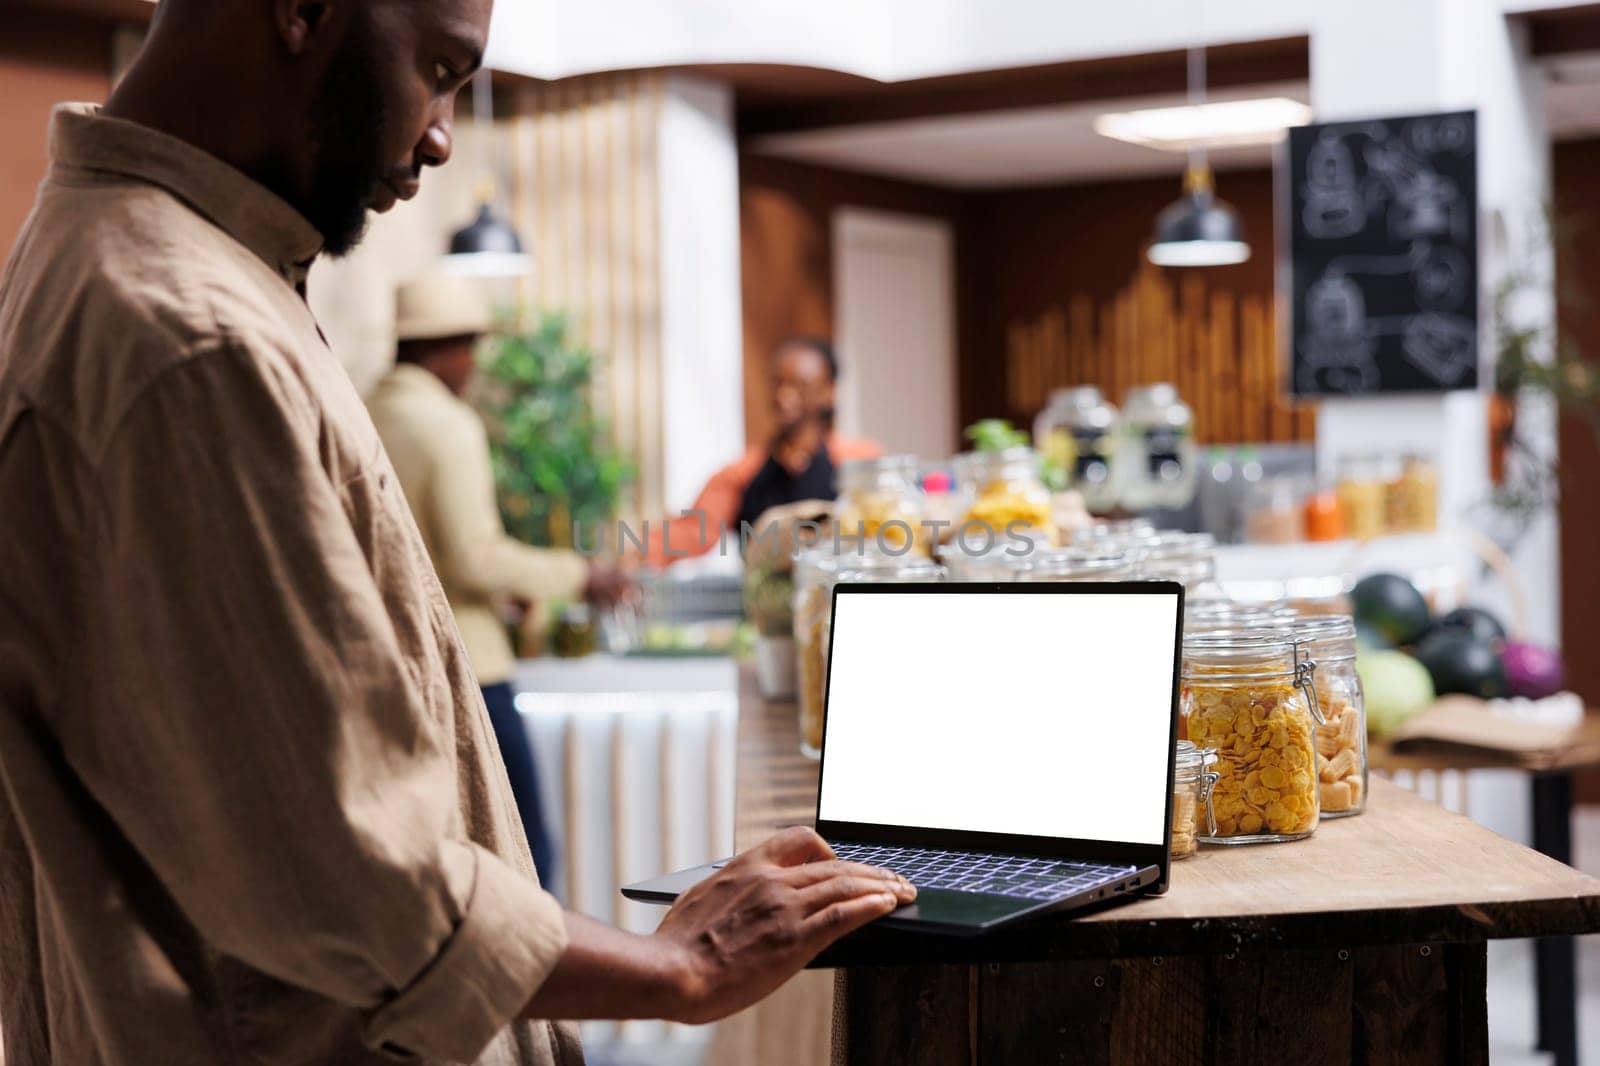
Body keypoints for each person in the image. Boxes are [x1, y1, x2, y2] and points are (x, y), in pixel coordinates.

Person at [0, 2, 914, 1065]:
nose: (440, 134)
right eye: (437, 68)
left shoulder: (137, 264)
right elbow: (345, 869)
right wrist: (680, 966)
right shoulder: (189, 335)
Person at [368, 274, 629, 887]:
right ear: (452, 348)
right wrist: (580, 574)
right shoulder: (448, 426)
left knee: (442, 867)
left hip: (390, 665)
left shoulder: (363, 412)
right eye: (473, 350)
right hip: (470, 669)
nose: (475, 366)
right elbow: (474, 558)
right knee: (525, 858)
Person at [641, 336, 883, 565]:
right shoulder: (743, 473)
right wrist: (635, 555)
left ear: (828, 392)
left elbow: (892, 526)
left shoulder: (859, 462)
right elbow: (693, 530)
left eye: (800, 385)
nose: (784, 395)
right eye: (778, 382)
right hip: (766, 603)